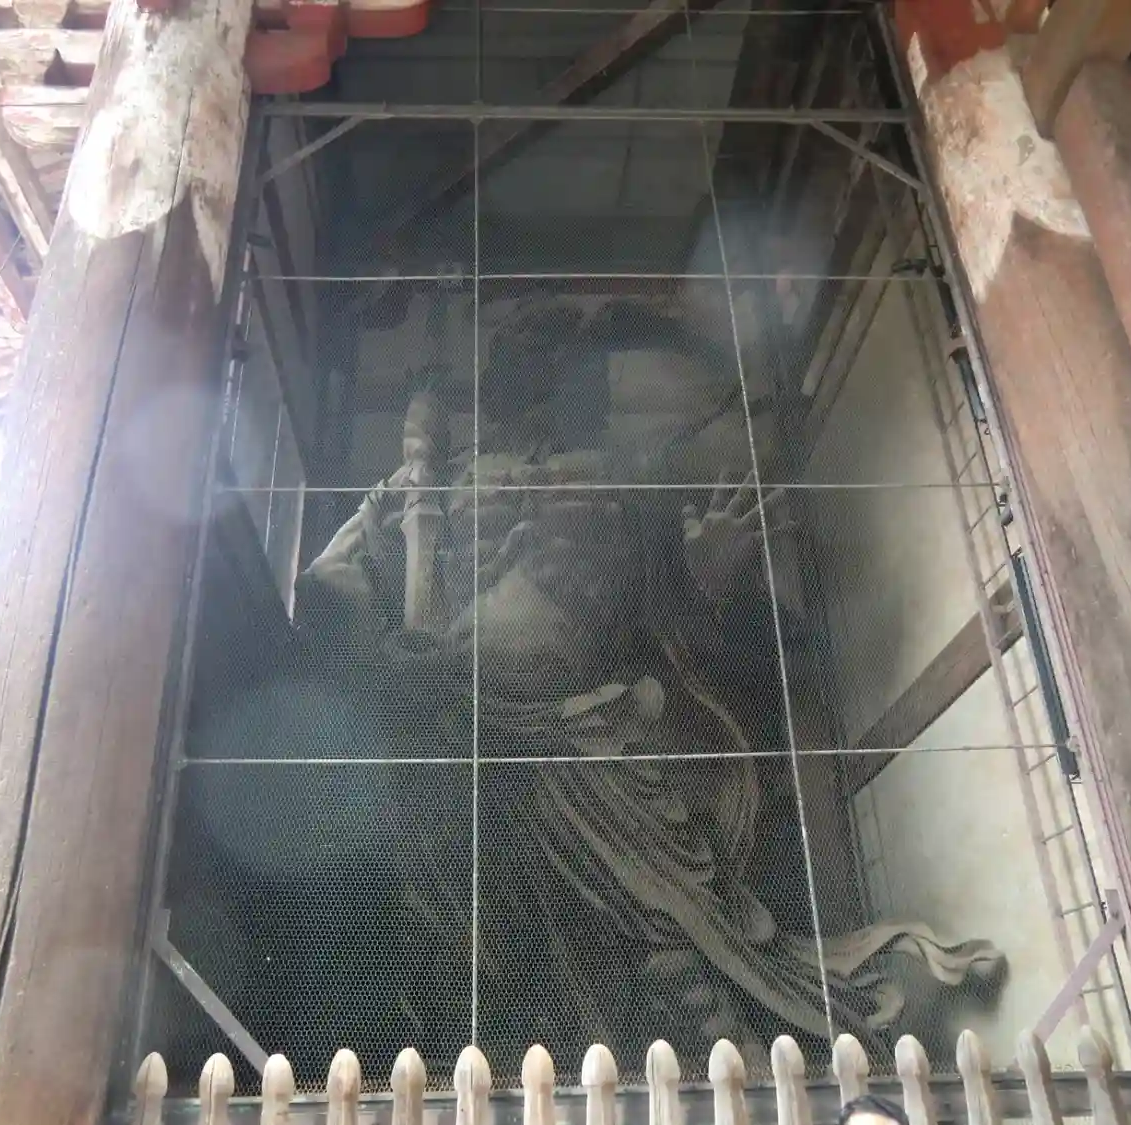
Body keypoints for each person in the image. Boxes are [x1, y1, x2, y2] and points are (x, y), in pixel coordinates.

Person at [287, 298, 1004, 1072]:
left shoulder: (623, 482)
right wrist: (382, 635)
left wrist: (706, 576)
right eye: (540, 373)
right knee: (467, 930)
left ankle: (740, 1078)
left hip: (586, 728)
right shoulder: (421, 487)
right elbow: (327, 585)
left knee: (666, 928)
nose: (562, 394)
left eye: (575, 378)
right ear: (501, 389)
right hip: (453, 725)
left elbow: (671, 618)